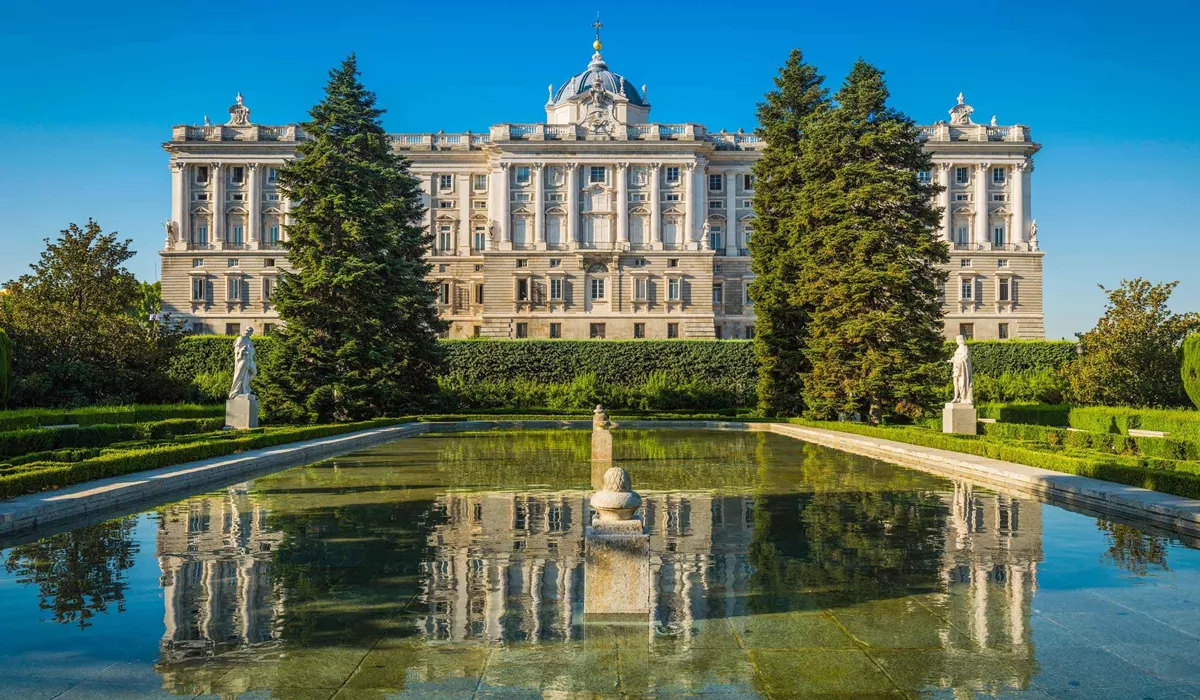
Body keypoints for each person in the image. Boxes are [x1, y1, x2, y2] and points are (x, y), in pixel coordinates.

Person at [228, 327, 258, 399]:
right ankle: (236, 391)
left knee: (254, 372)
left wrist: (252, 352)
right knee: (240, 375)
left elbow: (252, 350)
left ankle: (246, 386)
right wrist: (243, 350)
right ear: (245, 330)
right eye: (249, 330)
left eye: (251, 331)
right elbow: (236, 351)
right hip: (243, 359)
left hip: (250, 360)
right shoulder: (241, 338)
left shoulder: (249, 340)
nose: (250, 332)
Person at [949, 334, 973, 404]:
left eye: (957, 339)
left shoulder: (964, 347)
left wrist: (961, 357)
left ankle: (963, 397)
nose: (956, 341)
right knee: (955, 382)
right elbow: (956, 357)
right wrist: (952, 359)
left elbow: (965, 356)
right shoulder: (958, 349)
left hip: (962, 369)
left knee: (962, 383)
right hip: (956, 368)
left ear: (960, 340)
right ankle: (956, 397)